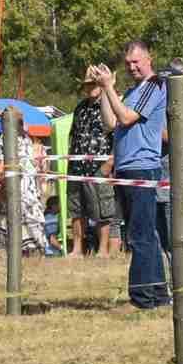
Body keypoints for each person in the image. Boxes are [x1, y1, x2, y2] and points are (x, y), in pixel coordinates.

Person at [85, 43, 169, 311]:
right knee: (144, 233)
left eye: (136, 62)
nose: (132, 67)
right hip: (126, 167)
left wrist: (110, 87)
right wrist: (102, 92)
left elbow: (127, 117)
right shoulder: (133, 90)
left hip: (142, 167)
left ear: (149, 58)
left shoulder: (155, 86)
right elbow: (111, 122)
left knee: (141, 236)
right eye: (128, 63)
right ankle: (157, 294)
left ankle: (142, 298)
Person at [65, 69, 120, 256]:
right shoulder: (79, 107)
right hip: (76, 167)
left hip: (100, 166)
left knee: (103, 210)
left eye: (94, 84)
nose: (90, 88)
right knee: (76, 209)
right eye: (87, 84)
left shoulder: (111, 105)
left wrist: (110, 162)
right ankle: (77, 249)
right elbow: (74, 135)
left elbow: (118, 136)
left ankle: (102, 250)